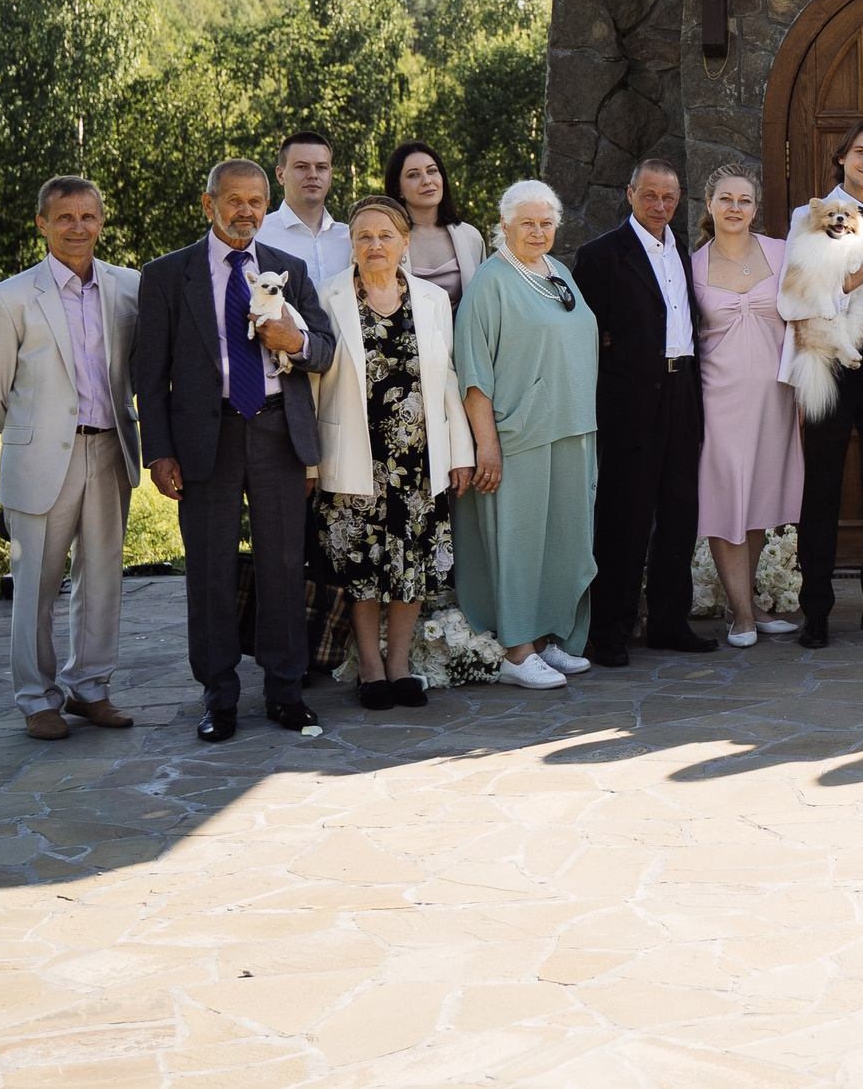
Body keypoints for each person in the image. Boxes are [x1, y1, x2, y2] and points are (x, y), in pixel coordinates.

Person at [135, 158, 335, 742]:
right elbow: (151, 375)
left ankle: (285, 692)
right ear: (209, 204)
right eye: (234, 200)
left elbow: (324, 349)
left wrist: (295, 341)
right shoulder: (167, 275)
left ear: (266, 206)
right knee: (210, 570)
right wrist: (159, 452)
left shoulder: (290, 270)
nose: (246, 211)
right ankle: (219, 697)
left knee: (282, 567)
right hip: (207, 439)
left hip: (278, 434)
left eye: (256, 201)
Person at [0, 176, 142, 741]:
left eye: (88, 216)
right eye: (65, 217)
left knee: (102, 579)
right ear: (42, 224)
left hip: (111, 450)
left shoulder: (130, 287)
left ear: (102, 221)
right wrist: (33, 436)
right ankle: (37, 699)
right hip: (41, 460)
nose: (78, 227)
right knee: (36, 587)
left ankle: (90, 689)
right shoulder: (9, 298)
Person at [308, 195, 473, 709]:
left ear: (405, 242)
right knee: (362, 569)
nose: (375, 244)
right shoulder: (327, 295)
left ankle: (400, 666)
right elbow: (310, 385)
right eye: (364, 236)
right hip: (353, 456)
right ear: (352, 243)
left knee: (412, 568)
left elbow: (448, 378)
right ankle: (370, 668)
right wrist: (310, 459)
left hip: (419, 461)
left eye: (385, 236)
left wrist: (460, 452)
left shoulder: (432, 299)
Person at [453, 181, 600, 689]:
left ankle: (547, 638)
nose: (538, 232)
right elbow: (474, 373)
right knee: (518, 544)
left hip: (572, 427)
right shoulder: (490, 282)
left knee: (563, 542)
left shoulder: (557, 272)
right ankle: (516, 651)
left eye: (546, 223)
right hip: (519, 434)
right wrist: (487, 445)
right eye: (527, 223)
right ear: (505, 225)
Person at [570, 158, 712, 665]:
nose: (659, 205)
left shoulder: (685, 253)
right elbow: (584, 335)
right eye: (649, 195)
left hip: (683, 391)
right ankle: (610, 629)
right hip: (629, 398)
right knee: (623, 516)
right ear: (630, 194)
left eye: (668, 197)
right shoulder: (600, 255)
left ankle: (670, 623)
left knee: (680, 510)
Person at [780, 119, 863, 647]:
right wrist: (843, 288)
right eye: (860, 152)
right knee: (823, 482)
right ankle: (815, 611)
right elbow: (793, 294)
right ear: (842, 158)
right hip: (830, 351)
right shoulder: (807, 215)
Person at [691, 163, 803, 647]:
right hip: (717, 398)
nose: (735, 208)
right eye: (726, 199)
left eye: (744, 200)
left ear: (756, 209)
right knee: (726, 498)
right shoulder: (691, 266)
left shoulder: (781, 252)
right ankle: (740, 614)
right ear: (710, 205)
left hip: (774, 396)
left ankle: (748, 602)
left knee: (758, 496)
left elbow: (812, 305)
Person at [385, 140, 487, 308]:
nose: (427, 180)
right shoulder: (382, 240)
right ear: (398, 189)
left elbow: (484, 303)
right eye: (414, 175)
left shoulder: (471, 237)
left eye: (432, 171)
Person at [260, 131, 351, 281]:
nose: (313, 175)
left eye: (321, 167)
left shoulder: (350, 239)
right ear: (280, 175)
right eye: (302, 167)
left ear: (330, 176)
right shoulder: (258, 237)